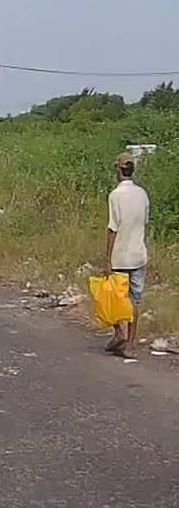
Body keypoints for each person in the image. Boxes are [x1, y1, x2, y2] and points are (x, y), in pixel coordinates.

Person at [105, 152, 149, 357]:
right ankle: (130, 342)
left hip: (120, 256)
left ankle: (118, 333)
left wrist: (107, 258)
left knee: (114, 298)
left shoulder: (116, 195)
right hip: (138, 254)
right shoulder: (142, 194)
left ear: (119, 170)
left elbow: (112, 228)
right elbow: (144, 223)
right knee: (135, 301)